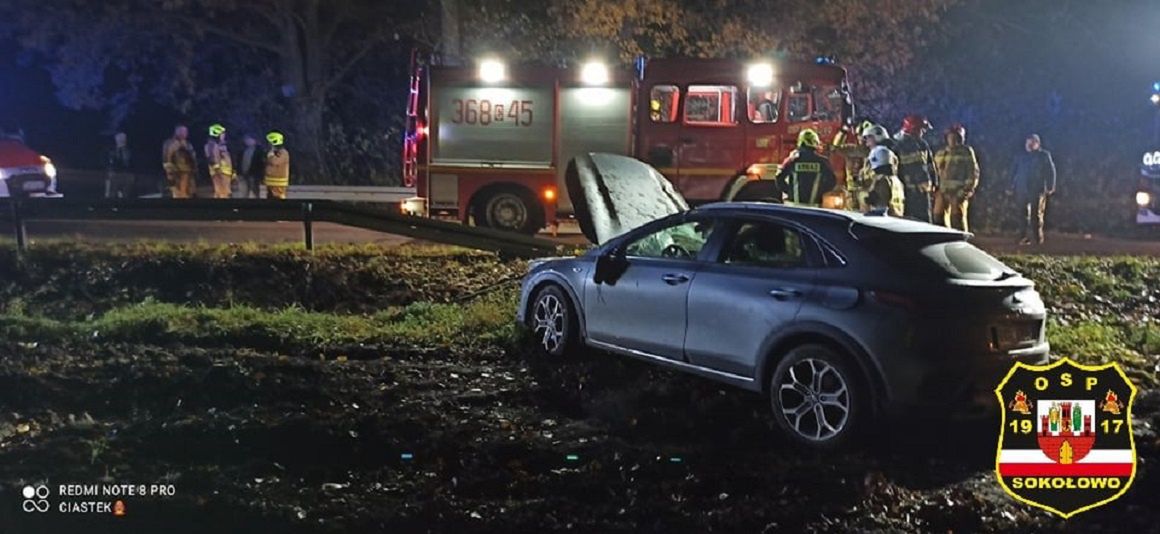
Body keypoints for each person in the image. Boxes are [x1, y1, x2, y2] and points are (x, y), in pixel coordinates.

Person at [932, 123, 980, 231]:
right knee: (937, 217)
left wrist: (966, 190)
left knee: (957, 219)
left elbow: (972, 172)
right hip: (942, 190)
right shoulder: (940, 153)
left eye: (955, 137)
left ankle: (961, 242)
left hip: (958, 191)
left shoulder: (966, 152)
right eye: (950, 137)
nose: (952, 140)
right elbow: (934, 171)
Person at [1011, 134, 1057, 244]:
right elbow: (1013, 171)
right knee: (1022, 213)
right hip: (1022, 188)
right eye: (1028, 142)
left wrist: (1050, 186)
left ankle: (1037, 238)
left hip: (1037, 189)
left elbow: (1050, 171)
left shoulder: (1044, 155)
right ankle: (1023, 236)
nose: (1029, 145)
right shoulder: (1021, 156)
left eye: (1032, 143)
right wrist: (1011, 185)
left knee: (1036, 214)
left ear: (1037, 143)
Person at [775, 129, 837, 207]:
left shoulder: (792, 160)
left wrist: (790, 191)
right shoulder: (822, 162)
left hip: (793, 206)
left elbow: (779, 178)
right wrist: (819, 191)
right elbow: (832, 181)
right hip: (814, 206)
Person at [893, 114, 938, 222]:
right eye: (921, 129)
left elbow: (930, 165)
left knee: (924, 220)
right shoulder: (899, 146)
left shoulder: (922, 144)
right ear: (914, 129)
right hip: (909, 191)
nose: (923, 132)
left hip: (922, 191)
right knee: (911, 221)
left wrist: (934, 182)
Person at [831, 120, 872, 211]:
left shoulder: (875, 151)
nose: (861, 138)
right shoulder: (851, 149)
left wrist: (843, 131)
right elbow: (835, 147)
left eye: (864, 136)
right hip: (852, 190)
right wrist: (843, 131)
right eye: (860, 135)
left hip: (867, 190)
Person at [865, 145, 905, 217]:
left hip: (884, 222)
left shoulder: (881, 180)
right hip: (897, 220)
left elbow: (881, 207)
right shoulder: (897, 180)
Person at [162, 125, 197, 198]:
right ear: (177, 132)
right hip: (177, 171)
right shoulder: (170, 143)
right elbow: (167, 156)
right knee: (178, 192)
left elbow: (192, 156)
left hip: (187, 171)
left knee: (187, 192)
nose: (185, 133)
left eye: (186, 131)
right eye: (183, 131)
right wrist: (169, 171)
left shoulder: (187, 143)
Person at [204, 124, 235, 199]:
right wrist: (218, 170)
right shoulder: (214, 145)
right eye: (222, 133)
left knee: (222, 192)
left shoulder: (218, 144)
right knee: (223, 192)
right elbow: (213, 158)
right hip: (221, 172)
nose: (224, 135)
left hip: (224, 171)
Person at [105, 132, 133, 198]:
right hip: (114, 175)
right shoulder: (111, 151)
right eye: (119, 138)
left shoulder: (129, 151)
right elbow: (108, 163)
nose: (121, 140)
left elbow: (131, 163)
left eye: (123, 138)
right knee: (112, 193)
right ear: (116, 139)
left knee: (126, 194)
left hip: (126, 175)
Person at [236, 134, 264, 198]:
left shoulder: (259, 151)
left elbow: (261, 164)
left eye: (249, 139)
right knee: (244, 193)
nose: (247, 141)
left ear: (254, 140)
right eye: (245, 139)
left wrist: (259, 175)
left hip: (253, 175)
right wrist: (238, 173)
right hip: (243, 175)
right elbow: (239, 162)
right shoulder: (242, 150)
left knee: (255, 193)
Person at [264, 131, 290, 199]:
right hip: (271, 184)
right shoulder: (273, 152)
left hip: (278, 185)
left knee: (278, 203)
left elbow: (274, 162)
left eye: (269, 142)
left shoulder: (283, 152)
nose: (268, 144)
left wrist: (270, 155)